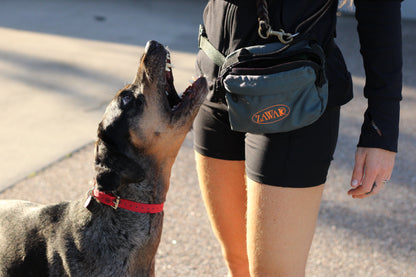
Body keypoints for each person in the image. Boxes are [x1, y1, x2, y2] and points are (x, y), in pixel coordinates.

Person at [193, 0, 403, 276]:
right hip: (215, 80)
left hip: (295, 93)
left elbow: (379, 10)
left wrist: (381, 129)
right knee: (237, 261)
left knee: (274, 272)